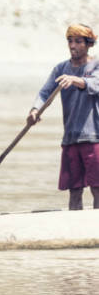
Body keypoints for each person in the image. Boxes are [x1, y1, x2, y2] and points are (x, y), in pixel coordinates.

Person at [28, 23, 99, 210]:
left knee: (97, 188)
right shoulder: (61, 69)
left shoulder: (97, 65)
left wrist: (77, 80)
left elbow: (95, 84)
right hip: (71, 138)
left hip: (94, 138)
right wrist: (35, 110)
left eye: (78, 41)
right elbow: (45, 94)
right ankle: (77, 231)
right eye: (70, 41)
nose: (73, 46)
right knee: (74, 190)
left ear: (89, 43)